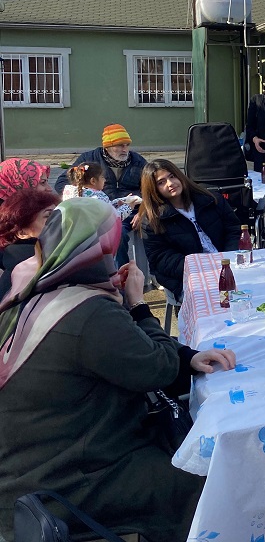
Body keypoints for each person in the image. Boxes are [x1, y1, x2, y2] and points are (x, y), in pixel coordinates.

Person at [0, 198, 235, 542]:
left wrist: (185, 356)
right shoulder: (88, 311)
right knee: (207, 483)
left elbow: (125, 353)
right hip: (66, 480)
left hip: (25, 466)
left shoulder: (30, 286)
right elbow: (157, 369)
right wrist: (138, 303)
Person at [139, 160, 241, 301]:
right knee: (218, 304)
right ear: (153, 189)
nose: (170, 183)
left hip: (228, 264)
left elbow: (234, 229)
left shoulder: (211, 199)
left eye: (172, 176)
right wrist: (199, 266)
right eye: (161, 182)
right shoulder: (152, 220)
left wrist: (227, 257)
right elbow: (160, 258)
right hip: (188, 278)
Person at [53, 124, 147, 264]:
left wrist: (143, 210)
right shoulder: (89, 160)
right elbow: (61, 182)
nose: (125, 149)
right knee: (117, 233)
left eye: (127, 145)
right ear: (107, 147)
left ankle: (149, 274)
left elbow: (151, 188)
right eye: (120, 145)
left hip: (131, 212)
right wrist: (84, 197)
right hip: (97, 216)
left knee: (156, 227)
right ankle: (118, 274)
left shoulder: (137, 161)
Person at [0, 184, 60, 300]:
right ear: (22, 233)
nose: (61, 219)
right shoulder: (38, 269)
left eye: (59, 213)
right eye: (49, 216)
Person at [62, 162, 139, 220]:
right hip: (95, 236)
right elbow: (112, 218)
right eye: (102, 177)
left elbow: (104, 208)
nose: (105, 180)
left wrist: (119, 201)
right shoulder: (97, 196)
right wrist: (128, 207)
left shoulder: (70, 193)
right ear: (93, 181)